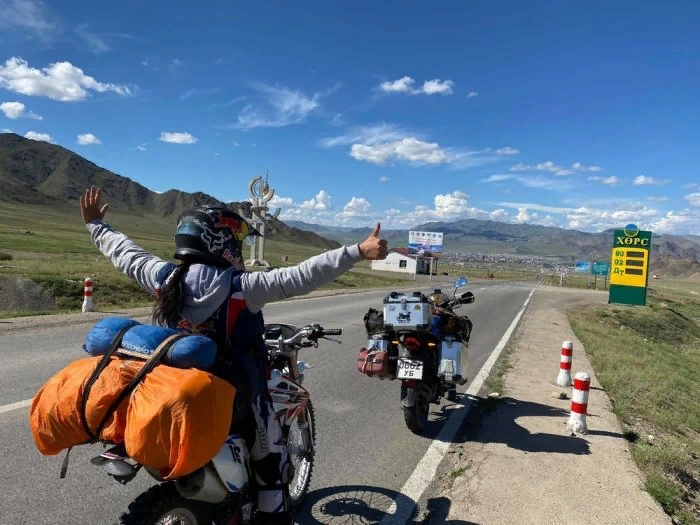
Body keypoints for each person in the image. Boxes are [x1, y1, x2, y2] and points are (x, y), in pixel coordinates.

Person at [80, 186, 388, 525]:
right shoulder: (243, 287)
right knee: (272, 461)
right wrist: (358, 251)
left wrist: (96, 225)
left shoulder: (165, 278)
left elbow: (126, 254)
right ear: (220, 241)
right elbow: (304, 274)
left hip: (172, 387)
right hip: (237, 397)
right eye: (236, 238)